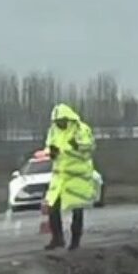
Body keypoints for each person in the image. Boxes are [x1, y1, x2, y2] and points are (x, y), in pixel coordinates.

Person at [43, 103, 96, 251]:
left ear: (68, 118)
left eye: (61, 121)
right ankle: (57, 238)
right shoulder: (53, 131)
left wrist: (77, 146)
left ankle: (75, 241)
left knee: (77, 210)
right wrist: (51, 152)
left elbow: (90, 148)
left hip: (77, 177)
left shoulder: (81, 129)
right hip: (60, 177)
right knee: (53, 208)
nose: (59, 124)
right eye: (56, 122)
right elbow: (48, 147)